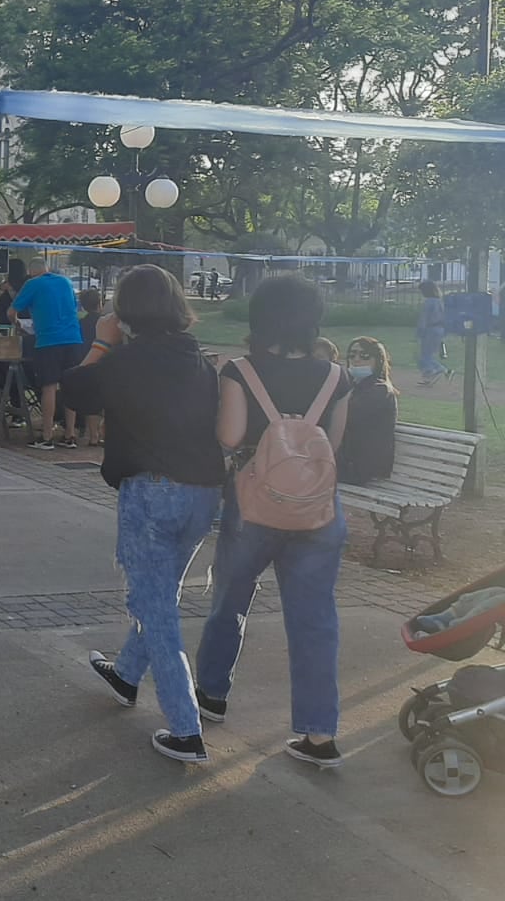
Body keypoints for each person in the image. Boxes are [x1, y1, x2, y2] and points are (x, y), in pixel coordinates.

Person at [62, 266, 227, 763]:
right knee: (161, 595)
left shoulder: (127, 360)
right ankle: (127, 675)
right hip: (202, 493)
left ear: (126, 310)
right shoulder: (198, 358)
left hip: (151, 492)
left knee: (158, 612)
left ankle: (185, 728)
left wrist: (101, 342)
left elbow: (74, 390)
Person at [194, 275, 352, 769]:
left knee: (230, 600)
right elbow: (334, 448)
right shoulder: (337, 376)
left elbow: (230, 435)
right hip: (318, 508)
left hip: (254, 502)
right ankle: (320, 732)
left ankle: (212, 694)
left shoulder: (240, 370)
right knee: (315, 619)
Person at [11, 261, 83, 450]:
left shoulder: (33, 284)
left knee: (49, 387)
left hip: (48, 340)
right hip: (73, 337)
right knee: (70, 386)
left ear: (31, 272)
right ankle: (70, 435)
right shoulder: (66, 282)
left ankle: (47, 436)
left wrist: (18, 325)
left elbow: (12, 312)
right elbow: (75, 307)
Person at [338, 336, 398, 485]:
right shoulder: (353, 387)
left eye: (364, 355)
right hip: (347, 462)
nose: (356, 359)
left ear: (378, 360)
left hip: (363, 467)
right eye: (352, 355)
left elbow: (347, 416)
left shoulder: (381, 390)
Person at [74, 288, 105, 446]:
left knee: (92, 401)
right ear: (100, 303)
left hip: (86, 361)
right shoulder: (105, 322)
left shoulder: (80, 323)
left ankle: (93, 436)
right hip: (104, 362)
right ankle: (103, 433)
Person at [416, 279, 450, 385]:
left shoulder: (429, 302)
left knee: (425, 355)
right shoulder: (440, 301)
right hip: (440, 329)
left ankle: (440, 370)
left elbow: (424, 319)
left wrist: (419, 332)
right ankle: (431, 376)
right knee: (429, 354)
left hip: (430, 330)